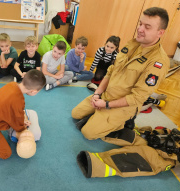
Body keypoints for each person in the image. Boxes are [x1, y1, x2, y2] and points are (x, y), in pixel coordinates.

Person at [72, 7, 170, 140]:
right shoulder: (132, 43)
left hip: (123, 107)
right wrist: (97, 93)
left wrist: (106, 105)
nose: (140, 29)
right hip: (106, 95)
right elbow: (111, 70)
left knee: (88, 133)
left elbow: (136, 98)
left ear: (160, 32)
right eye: (140, 24)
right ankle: (99, 118)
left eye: (147, 27)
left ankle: (122, 125)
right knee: (75, 114)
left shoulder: (159, 61)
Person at [76, 126, 180, 178]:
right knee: (135, 135)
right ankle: (94, 126)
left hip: (172, 155)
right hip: (162, 141)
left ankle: (97, 164)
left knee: (141, 157)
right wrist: (167, 132)